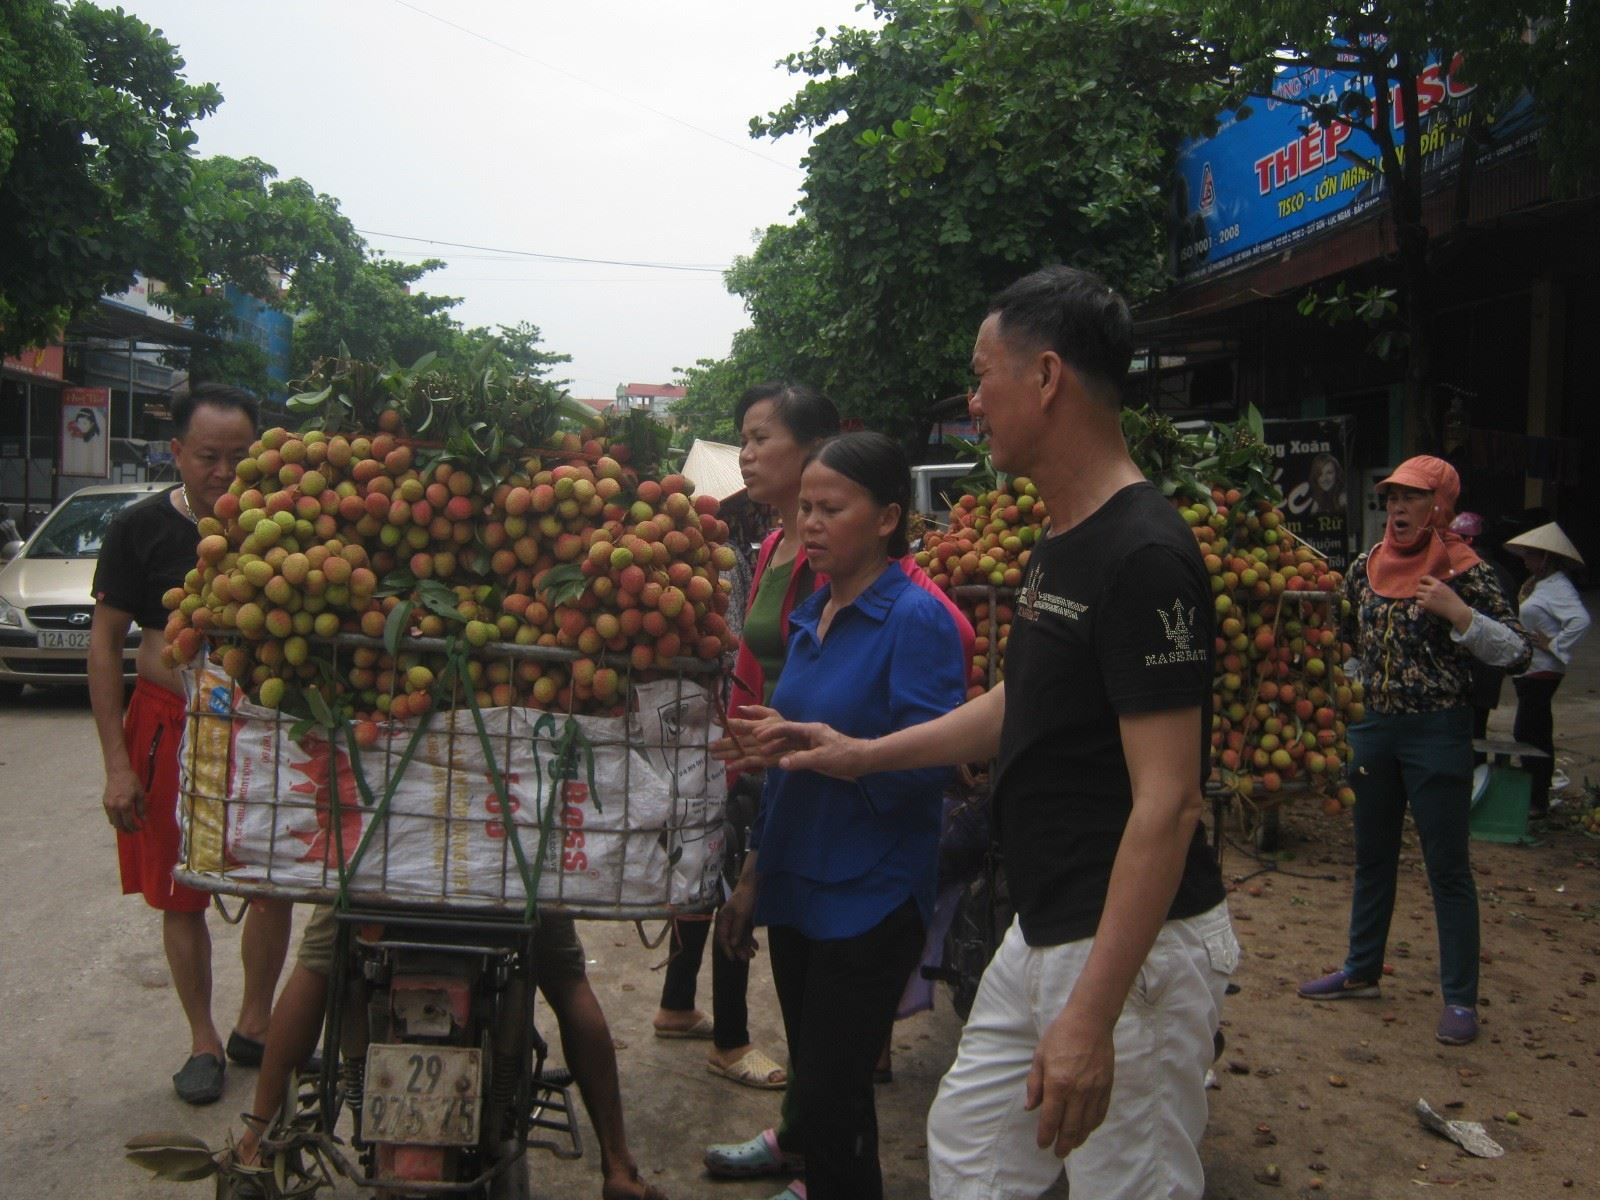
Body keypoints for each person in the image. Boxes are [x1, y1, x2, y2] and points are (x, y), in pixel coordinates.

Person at [751, 267, 1238, 1200]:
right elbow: (1024, 701)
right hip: (1045, 920)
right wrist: (859, 753)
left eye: (983, 377)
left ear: (1046, 377)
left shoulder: (1144, 556)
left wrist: (1091, 1019)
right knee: (971, 1149)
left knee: (1125, 1184)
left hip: (1124, 945)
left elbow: (1169, 806)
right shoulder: (1065, 541)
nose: (973, 402)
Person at [713, 431, 966, 1200]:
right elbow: (791, 772)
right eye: (805, 509)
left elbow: (929, 768)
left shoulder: (916, 620)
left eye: (832, 508)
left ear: (888, 517)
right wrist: (756, 874)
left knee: (831, 1094)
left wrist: (842, 752)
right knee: (829, 1094)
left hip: (870, 895)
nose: (811, 524)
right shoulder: (811, 616)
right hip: (799, 887)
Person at [89, 384, 292, 1104]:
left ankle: (255, 1023)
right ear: (177, 452)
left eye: (240, 456)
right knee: (182, 895)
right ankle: (202, 1039)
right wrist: (117, 763)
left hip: (265, 736)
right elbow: (107, 647)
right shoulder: (137, 528)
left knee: (274, 883)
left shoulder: (285, 522)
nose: (224, 471)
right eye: (208, 457)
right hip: (168, 729)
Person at [1298, 456, 1533, 1046]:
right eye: (1393, 498)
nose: (1398, 509)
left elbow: (1518, 653)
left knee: (1446, 868)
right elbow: (1350, 644)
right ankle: (1361, 969)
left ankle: (1459, 998)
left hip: (1437, 730)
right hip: (1371, 728)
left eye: (1413, 498)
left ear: (1440, 508)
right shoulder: (1365, 566)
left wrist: (1460, 615)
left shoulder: (1466, 571)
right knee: (1371, 857)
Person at [652, 382, 840, 1092]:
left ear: (813, 449)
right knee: (719, 872)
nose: (748, 454)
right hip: (746, 746)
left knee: (733, 880)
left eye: (762, 438)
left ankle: (719, 1029)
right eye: (745, 438)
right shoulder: (767, 547)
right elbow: (749, 656)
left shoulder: (828, 554)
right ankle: (717, 1033)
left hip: (790, 752)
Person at [217, 908, 669, 1200]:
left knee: (318, 963)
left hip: (381, 868)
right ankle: (618, 1166)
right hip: (507, 867)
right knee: (568, 980)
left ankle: (256, 1145)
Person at [1504, 522, 1590, 816]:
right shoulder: (1538, 584)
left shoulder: (1559, 587)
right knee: (1532, 730)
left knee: (1530, 731)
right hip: (1530, 668)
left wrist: (1554, 643)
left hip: (1544, 669)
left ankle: (1537, 799)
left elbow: (1580, 620)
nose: (1525, 560)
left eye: (1530, 554)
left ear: (1545, 558)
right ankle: (1535, 795)